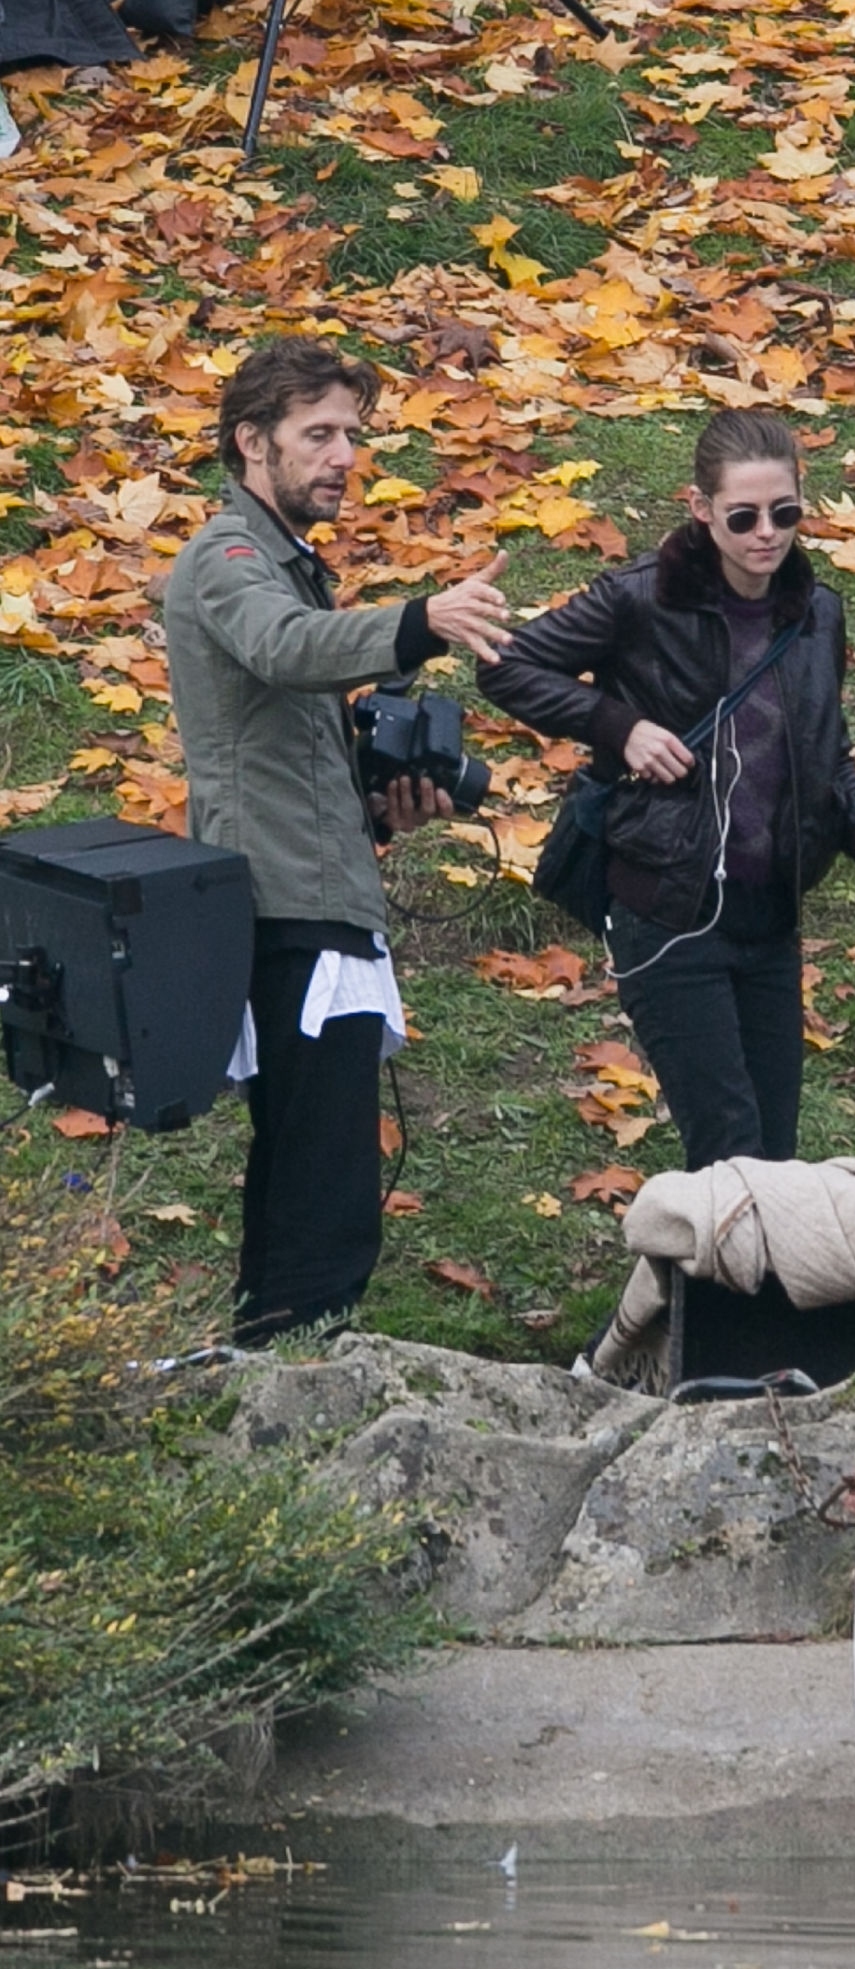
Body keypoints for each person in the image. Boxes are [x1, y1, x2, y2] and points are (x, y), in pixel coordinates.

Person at [165, 336, 511, 1346]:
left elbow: (287, 769)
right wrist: (422, 620)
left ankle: (273, 1362)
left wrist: (379, 814)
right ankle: (297, 1371)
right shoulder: (229, 557)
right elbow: (283, 648)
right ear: (251, 441)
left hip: (313, 899)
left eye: (351, 435)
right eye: (317, 434)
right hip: (289, 912)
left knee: (312, 1165)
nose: (344, 457)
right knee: (323, 1179)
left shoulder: (289, 568)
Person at [475, 408, 855, 1171]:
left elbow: (825, 754)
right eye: (743, 516)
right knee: (730, 1155)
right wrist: (619, 726)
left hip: (769, 919)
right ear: (700, 508)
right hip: (665, 912)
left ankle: (725, 1255)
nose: (766, 534)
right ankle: (702, 1254)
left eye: (784, 513)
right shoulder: (639, 599)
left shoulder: (816, 613)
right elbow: (505, 665)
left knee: (773, 1160)